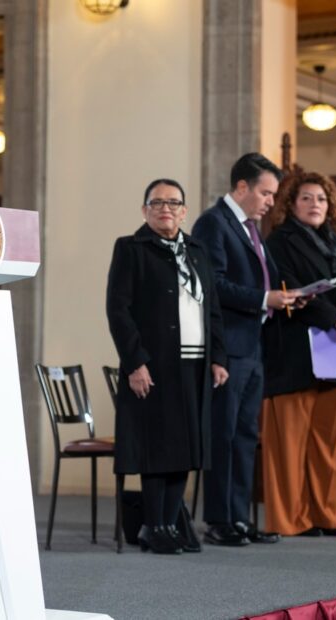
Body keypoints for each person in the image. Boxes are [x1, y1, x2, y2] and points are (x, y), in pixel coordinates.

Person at [107, 178, 229, 554]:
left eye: (173, 203)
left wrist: (219, 357)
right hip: (155, 365)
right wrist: (135, 362)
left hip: (195, 364)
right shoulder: (131, 248)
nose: (166, 208)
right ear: (145, 210)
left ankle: (171, 524)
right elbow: (118, 310)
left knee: (187, 449)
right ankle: (153, 525)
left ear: (184, 211)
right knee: (157, 449)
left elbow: (213, 309)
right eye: (157, 202)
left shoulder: (197, 251)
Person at [191, 153, 298, 547]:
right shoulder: (213, 223)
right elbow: (213, 285)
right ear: (241, 187)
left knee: (244, 435)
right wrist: (264, 299)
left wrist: (286, 296)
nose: (271, 201)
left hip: (253, 347)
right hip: (228, 348)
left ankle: (239, 517)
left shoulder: (251, 229)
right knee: (222, 434)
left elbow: (262, 280)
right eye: (266, 193)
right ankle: (219, 520)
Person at [261, 170, 336, 537]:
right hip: (294, 353)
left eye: (321, 199)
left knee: (331, 443)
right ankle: (292, 520)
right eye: (306, 198)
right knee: (289, 445)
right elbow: (289, 287)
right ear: (291, 204)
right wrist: (334, 317)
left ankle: (328, 516)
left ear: (331, 205)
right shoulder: (278, 242)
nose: (315, 204)